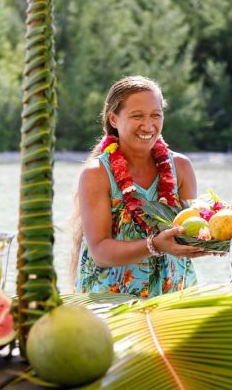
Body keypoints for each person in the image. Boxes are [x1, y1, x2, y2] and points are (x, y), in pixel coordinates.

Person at [72, 75, 208, 297]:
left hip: (174, 297)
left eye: (156, 115)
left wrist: (216, 238)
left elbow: (190, 230)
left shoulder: (181, 167)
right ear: (113, 119)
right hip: (112, 304)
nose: (148, 125)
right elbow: (100, 252)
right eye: (137, 116)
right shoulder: (96, 174)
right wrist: (154, 245)